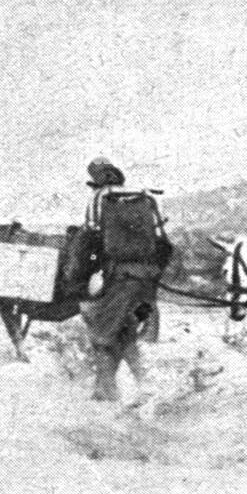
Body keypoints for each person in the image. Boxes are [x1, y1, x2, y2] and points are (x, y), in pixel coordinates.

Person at [81, 157, 168, 402]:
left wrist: (81, 276)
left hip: (119, 280)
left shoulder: (100, 198)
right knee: (127, 331)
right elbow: (163, 242)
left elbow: (90, 237)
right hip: (147, 283)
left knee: (102, 333)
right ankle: (137, 385)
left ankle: (111, 392)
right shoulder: (146, 198)